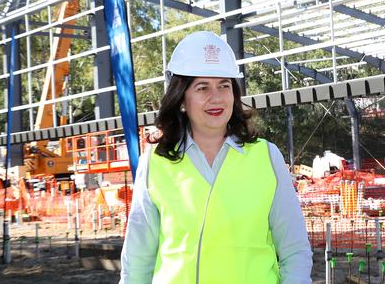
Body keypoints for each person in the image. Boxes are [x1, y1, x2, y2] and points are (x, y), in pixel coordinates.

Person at [119, 31, 313, 284]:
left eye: (224, 85)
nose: (217, 97)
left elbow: (295, 250)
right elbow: (137, 260)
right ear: (181, 99)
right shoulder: (155, 162)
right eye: (202, 87)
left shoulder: (266, 157)